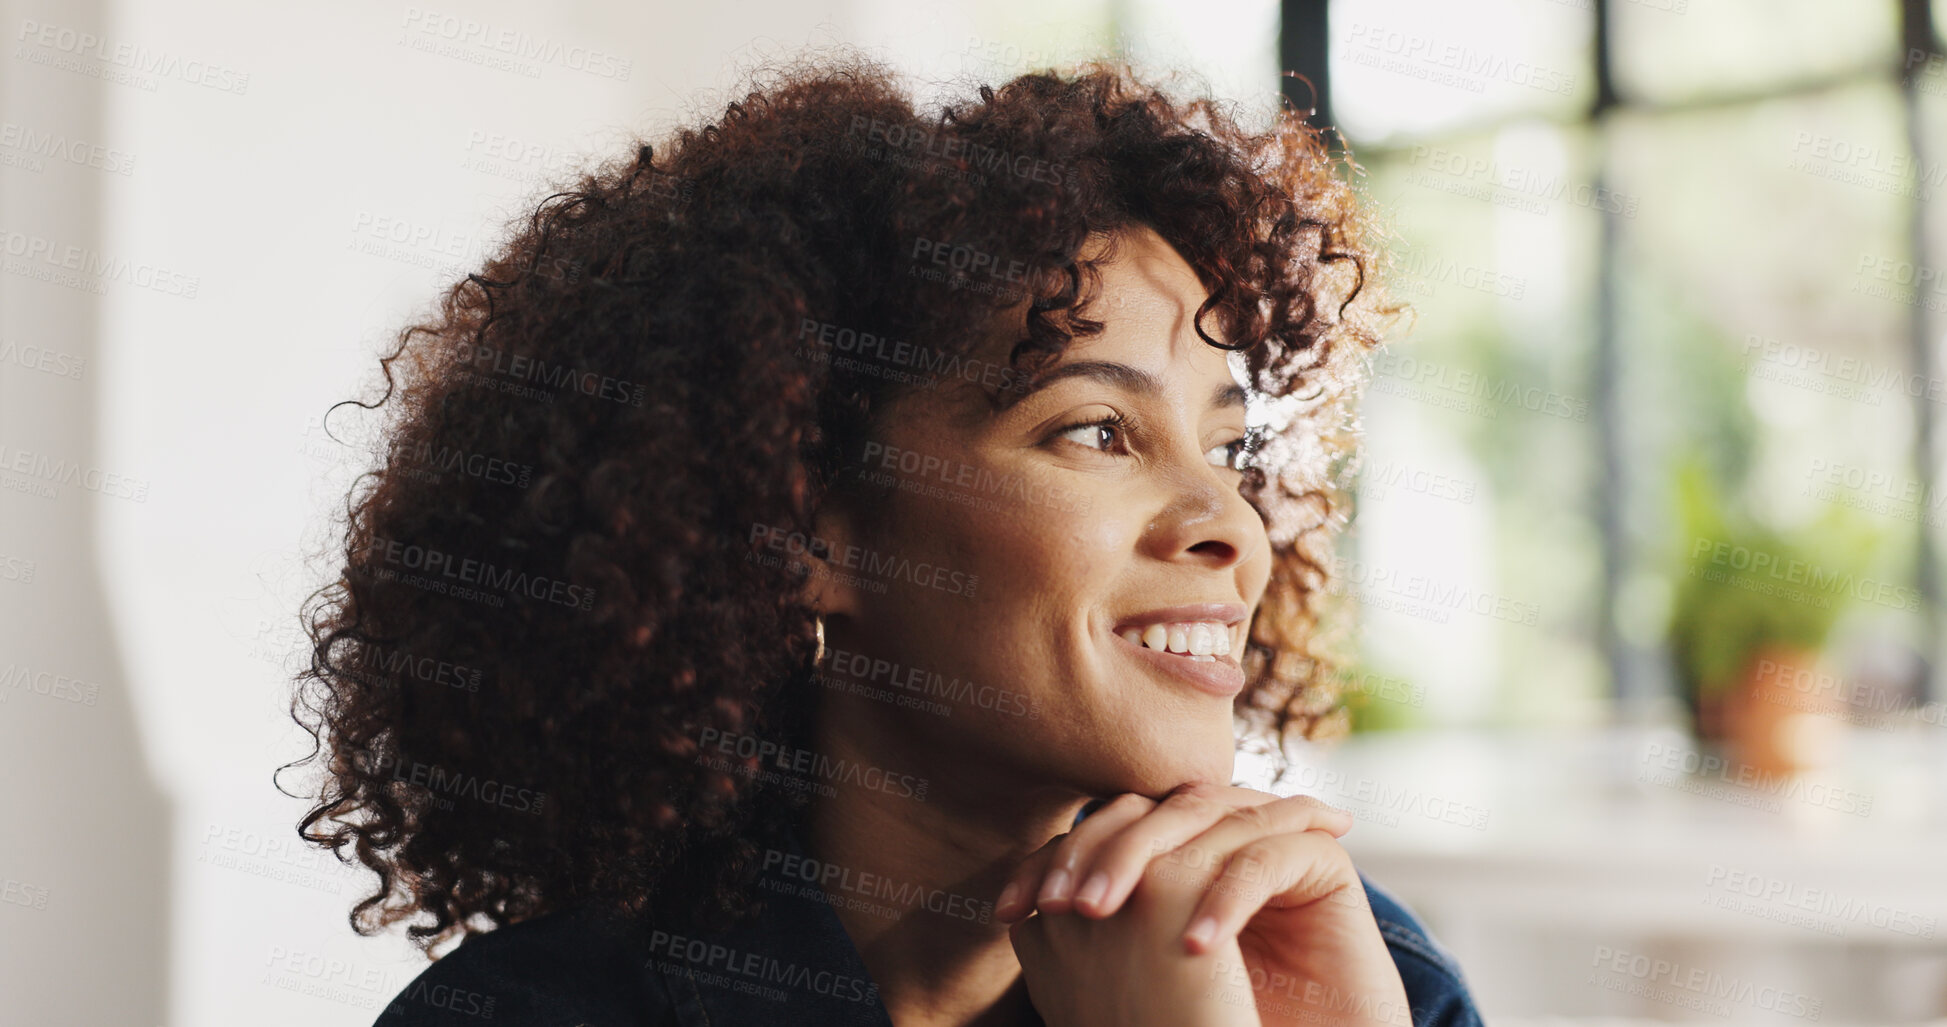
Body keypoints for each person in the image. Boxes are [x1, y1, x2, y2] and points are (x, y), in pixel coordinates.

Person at [288, 49, 1484, 1027]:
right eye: (1096, 431)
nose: (1230, 526)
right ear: (808, 529)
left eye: (1225, 449)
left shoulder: (1344, 973)